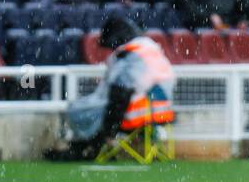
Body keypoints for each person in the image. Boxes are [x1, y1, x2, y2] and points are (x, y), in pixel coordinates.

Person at [59, 16, 175, 161]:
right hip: (163, 114)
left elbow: (121, 93)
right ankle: (91, 147)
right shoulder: (151, 50)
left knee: (81, 109)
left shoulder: (131, 54)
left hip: (137, 115)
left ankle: (87, 148)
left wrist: (109, 130)